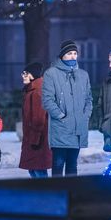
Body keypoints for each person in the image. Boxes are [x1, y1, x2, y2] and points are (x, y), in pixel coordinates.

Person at [42, 40, 92, 176]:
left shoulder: (83, 75)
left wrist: (85, 115)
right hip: (61, 128)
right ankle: (58, 189)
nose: (73, 56)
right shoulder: (51, 74)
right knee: (58, 164)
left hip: (78, 129)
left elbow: (89, 99)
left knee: (72, 165)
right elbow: (47, 100)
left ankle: (72, 189)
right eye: (69, 53)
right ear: (62, 55)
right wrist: (61, 116)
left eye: (75, 53)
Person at [19, 62, 52, 178]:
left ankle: (45, 191)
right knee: (33, 171)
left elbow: (38, 118)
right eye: (23, 73)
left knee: (39, 172)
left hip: (38, 141)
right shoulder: (31, 90)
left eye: (26, 73)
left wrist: (34, 139)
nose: (23, 76)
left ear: (33, 74)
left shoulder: (37, 91)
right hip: (33, 140)